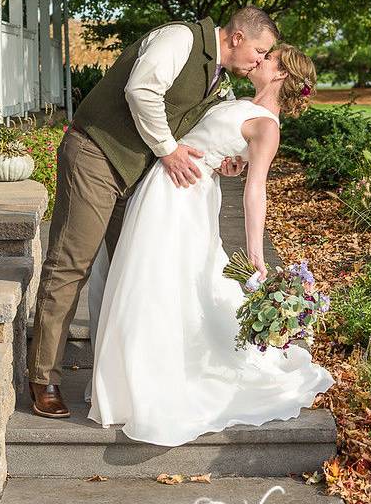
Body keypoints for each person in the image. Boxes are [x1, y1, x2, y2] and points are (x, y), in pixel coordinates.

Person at [27, 6, 279, 418]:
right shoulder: (179, 39)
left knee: (133, 273)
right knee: (72, 263)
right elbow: (141, 90)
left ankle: (118, 378)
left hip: (139, 179)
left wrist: (226, 161)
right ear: (236, 38)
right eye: (259, 50)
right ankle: (44, 377)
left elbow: (210, 130)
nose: (259, 61)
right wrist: (168, 150)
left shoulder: (219, 81)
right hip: (97, 153)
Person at [86, 45, 334, 446]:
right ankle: (129, 381)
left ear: (282, 75)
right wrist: (224, 159)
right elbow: (216, 145)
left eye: (268, 58)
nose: (259, 60)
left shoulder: (267, 126)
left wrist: (256, 251)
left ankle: (151, 384)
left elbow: (256, 189)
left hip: (184, 199)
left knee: (160, 284)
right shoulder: (237, 101)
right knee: (148, 282)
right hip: (167, 187)